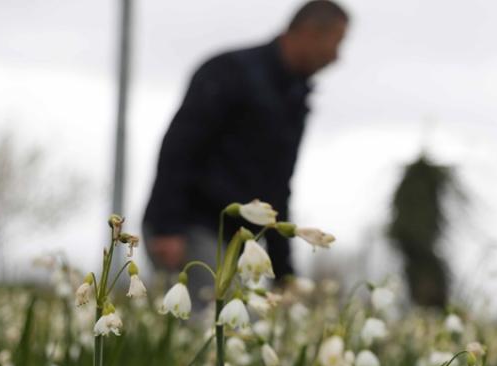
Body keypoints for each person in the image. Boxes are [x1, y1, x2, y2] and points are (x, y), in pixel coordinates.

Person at [143, 1, 348, 299]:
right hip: (190, 227)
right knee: (220, 327)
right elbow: (181, 146)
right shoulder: (230, 71)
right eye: (336, 42)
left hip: (236, 240)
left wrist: (283, 274)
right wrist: (168, 226)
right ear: (309, 32)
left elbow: (277, 189)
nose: (336, 56)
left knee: (233, 328)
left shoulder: (296, 98)